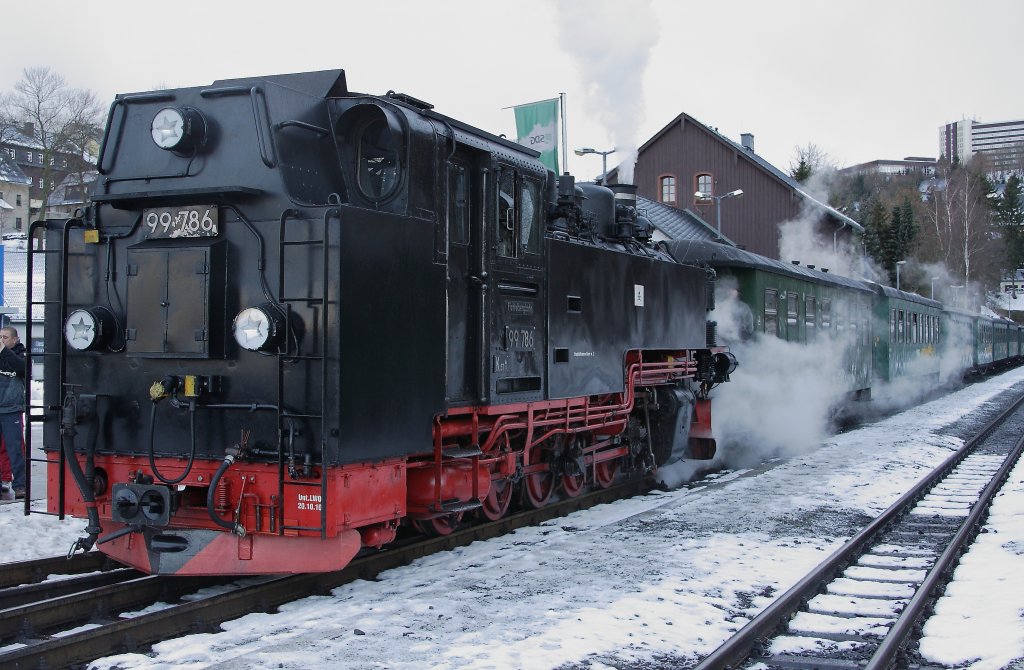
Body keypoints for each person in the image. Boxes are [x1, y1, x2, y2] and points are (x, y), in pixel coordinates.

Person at [0, 327, 27, 499]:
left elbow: (21, 368)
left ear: (15, 339)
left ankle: (20, 485)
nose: (2, 340)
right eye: (0, 337)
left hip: (12, 410)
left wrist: (3, 351)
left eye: (5, 337)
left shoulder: (21, 356)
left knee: (15, 449)